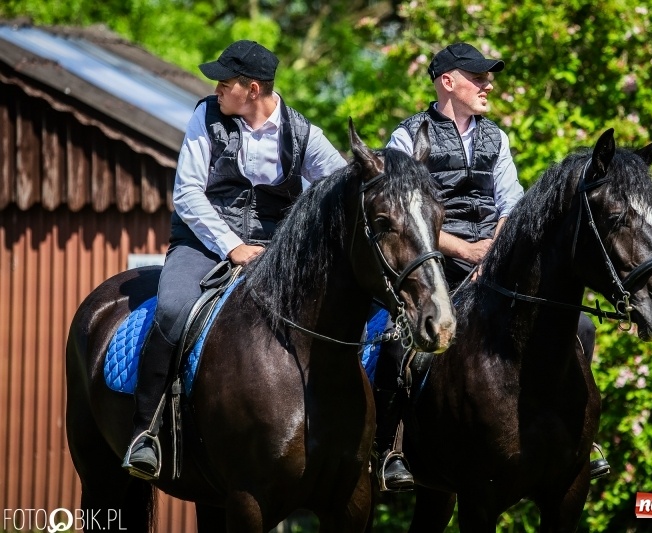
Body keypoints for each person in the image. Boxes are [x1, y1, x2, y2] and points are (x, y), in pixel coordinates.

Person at [372, 42, 607, 491]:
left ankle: (581, 438)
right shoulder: (407, 138)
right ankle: (390, 448)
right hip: (433, 262)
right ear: (448, 82)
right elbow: (405, 214)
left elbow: (511, 203)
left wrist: (493, 254)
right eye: (478, 77)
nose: (488, 84)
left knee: (581, 327)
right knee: (393, 340)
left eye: (488, 77)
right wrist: (465, 251)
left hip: (495, 260)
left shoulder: (494, 136)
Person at [123, 40, 347, 480]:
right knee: (171, 309)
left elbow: (342, 190)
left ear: (253, 88)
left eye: (225, 83)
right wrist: (233, 247)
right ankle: (145, 431)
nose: (217, 88)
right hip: (203, 242)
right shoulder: (206, 116)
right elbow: (187, 194)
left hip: (277, 251)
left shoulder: (305, 135)